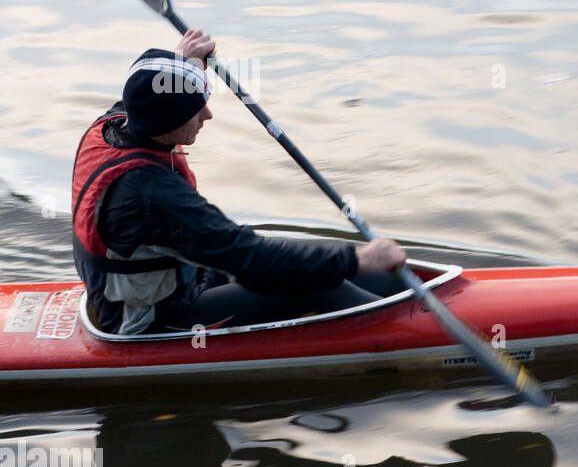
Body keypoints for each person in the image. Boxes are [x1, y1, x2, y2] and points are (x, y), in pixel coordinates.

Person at [72, 29, 407, 335]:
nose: (208, 115)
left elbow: (146, 92)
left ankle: (393, 296)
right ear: (167, 119)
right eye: (195, 109)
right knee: (309, 282)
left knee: (302, 260)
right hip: (153, 319)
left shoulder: (111, 126)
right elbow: (250, 258)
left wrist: (183, 62)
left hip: (172, 282)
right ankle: (399, 332)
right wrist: (357, 260)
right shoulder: (152, 195)